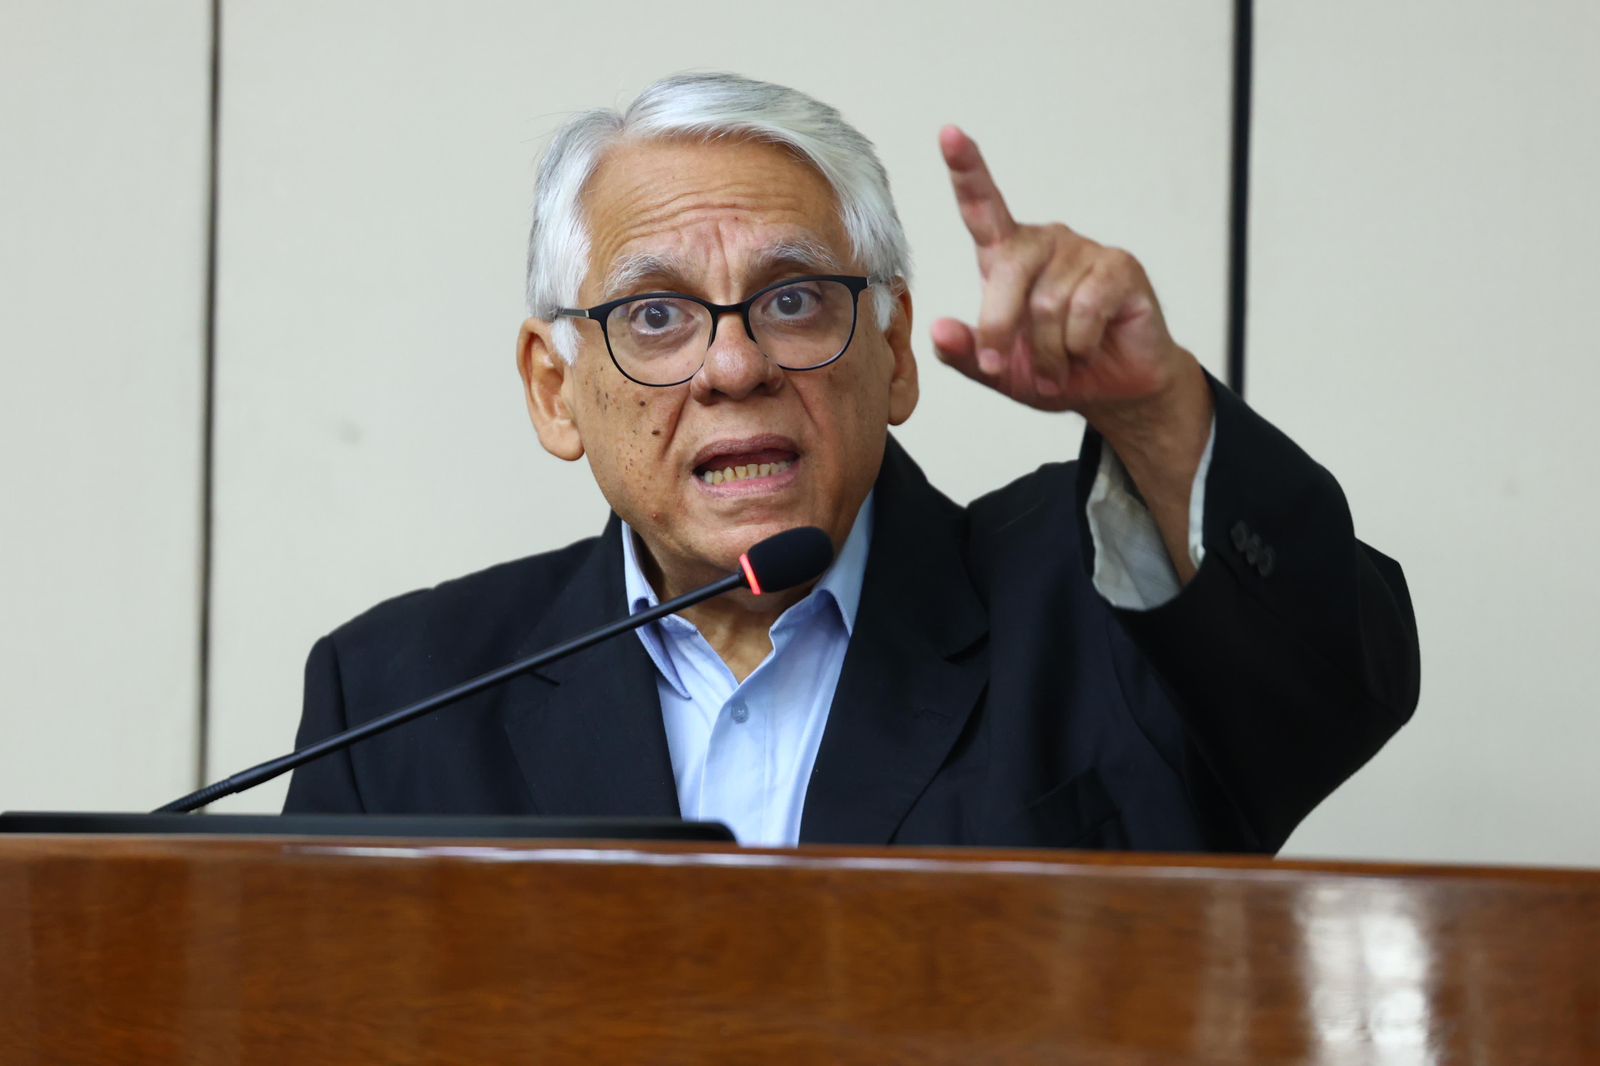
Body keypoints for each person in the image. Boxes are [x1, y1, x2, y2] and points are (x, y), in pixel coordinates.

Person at [284, 73, 1420, 853]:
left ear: (890, 352)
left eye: (791, 300)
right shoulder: (398, 703)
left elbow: (1328, 680)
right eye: (658, 316)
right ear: (553, 387)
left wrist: (1158, 410)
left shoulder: (1090, 602)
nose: (732, 365)